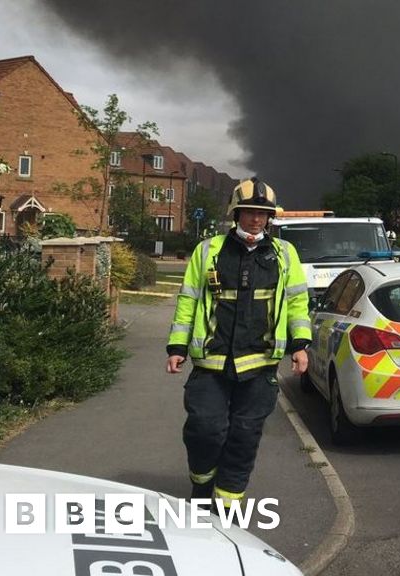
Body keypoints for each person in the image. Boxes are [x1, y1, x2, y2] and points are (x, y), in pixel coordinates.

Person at [166, 177, 312, 511]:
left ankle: (227, 505)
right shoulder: (208, 251)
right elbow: (188, 301)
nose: (256, 219)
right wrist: (177, 347)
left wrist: (300, 345)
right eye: (249, 212)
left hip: (260, 363)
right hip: (211, 361)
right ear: (236, 213)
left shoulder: (284, 254)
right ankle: (202, 486)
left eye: (263, 213)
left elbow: (296, 303)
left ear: (270, 217)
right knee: (204, 429)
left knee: (244, 436)